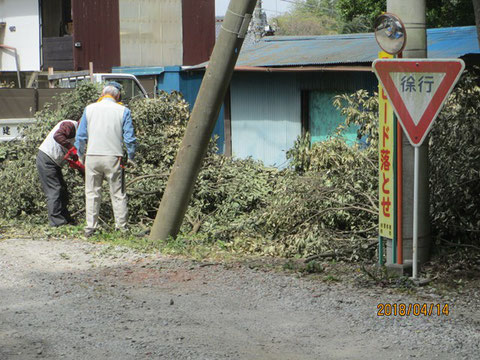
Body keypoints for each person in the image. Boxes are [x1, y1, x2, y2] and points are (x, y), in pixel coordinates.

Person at [75, 82, 136, 237]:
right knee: (117, 192)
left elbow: (81, 136)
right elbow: (129, 138)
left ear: (102, 94)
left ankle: (90, 227)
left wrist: (80, 154)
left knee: (92, 192)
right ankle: (121, 227)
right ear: (118, 95)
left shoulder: (89, 109)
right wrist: (132, 157)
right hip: (113, 156)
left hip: (92, 156)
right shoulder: (123, 111)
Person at [36, 119, 80, 226]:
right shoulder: (70, 125)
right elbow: (58, 136)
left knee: (63, 190)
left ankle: (65, 219)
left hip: (54, 161)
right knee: (54, 190)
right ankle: (57, 223)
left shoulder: (77, 132)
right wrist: (72, 149)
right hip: (47, 159)